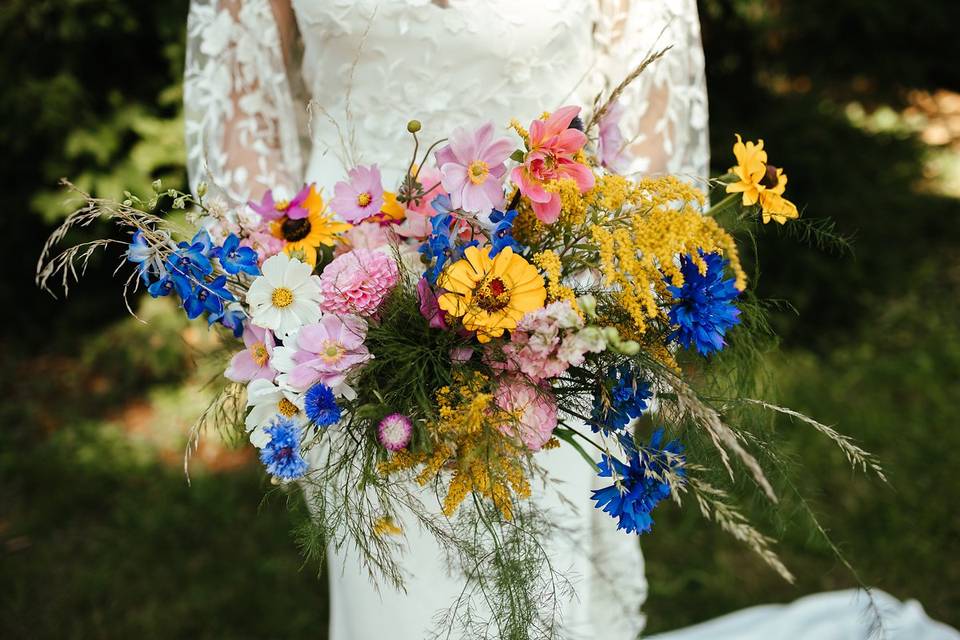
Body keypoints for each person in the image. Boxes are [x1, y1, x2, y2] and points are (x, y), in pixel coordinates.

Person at [183, 2, 959, 638]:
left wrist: (576, 316)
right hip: (346, 337)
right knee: (399, 597)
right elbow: (238, 136)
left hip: (550, 325)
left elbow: (648, 124)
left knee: (543, 597)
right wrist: (303, 315)